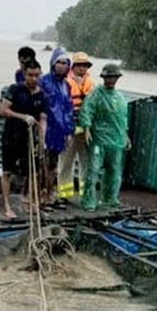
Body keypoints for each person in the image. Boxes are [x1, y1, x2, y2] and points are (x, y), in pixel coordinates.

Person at [76, 63, 129, 212]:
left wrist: (125, 135)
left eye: (114, 77)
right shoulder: (96, 94)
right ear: (104, 77)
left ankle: (110, 198)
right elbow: (87, 110)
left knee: (114, 170)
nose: (112, 80)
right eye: (109, 77)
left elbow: (122, 118)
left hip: (116, 140)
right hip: (98, 139)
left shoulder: (120, 97)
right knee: (93, 169)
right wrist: (86, 127)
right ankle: (89, 200)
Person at [0, 59, 47, 219]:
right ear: (24, 74)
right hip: (11, 136)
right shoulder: (15, 90)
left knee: (32, 172)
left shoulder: (42, 95)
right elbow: (3, 111)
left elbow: (42, 119)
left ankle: (32, 203)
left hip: (29, 138)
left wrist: (42, 140)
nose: (33, 79)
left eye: (36, 75)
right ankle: (6, 205)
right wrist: (22, 117)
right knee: (7, 171)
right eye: (30, 75)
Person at [38, 48, 75, 208]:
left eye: (65, 63)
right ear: (53, 64)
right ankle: (40, 194)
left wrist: (68, 131)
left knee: (53, 164)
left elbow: (68, 109)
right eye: (58, 62)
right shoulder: (43, 82)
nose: (61, 66)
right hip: (46, 129)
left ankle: (50, 193)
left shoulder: (66, 85)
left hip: (59, 131)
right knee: (42, 163)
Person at [60, 52, 95, 200]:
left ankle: (84, 193)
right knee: (66, 161)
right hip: (69, 128)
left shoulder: (91, 83)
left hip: (86, 129)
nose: (82, 68)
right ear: (73, 67)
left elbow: (94, 106)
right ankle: (64, 194)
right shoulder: (65, 83)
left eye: (84, 65)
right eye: (79, 65)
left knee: (85, 161)